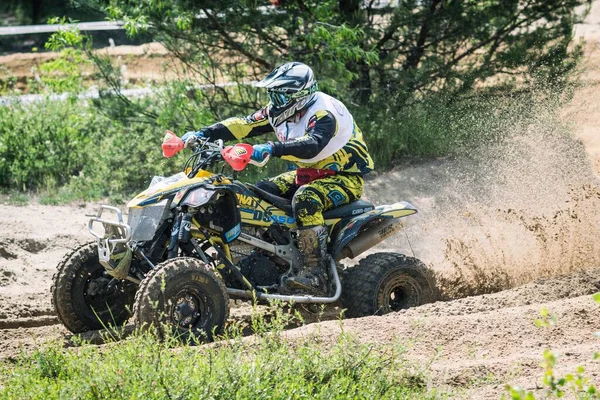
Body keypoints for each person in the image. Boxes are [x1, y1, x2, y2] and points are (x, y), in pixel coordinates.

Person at [182, 62, 374, 294]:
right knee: (255, 193)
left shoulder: (324, 113)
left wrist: (272, 148)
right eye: (272, 95)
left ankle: (315, 272)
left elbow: (313, 145)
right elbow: (244, 124)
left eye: (280, 96)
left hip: (344, 177)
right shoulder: (279, 111)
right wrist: (204, 133)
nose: (274, 102)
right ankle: (268, 255)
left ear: (299, 96)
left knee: (306, 199)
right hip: (305, 174)